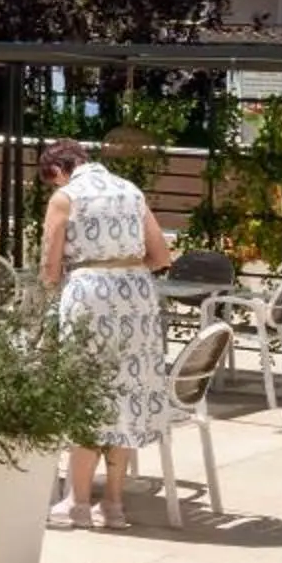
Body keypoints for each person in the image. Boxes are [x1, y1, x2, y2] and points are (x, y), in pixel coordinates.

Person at [38, 142, 172, 529]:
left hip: (90, 294)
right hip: (138, 297)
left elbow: (50, 267)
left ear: (59, 171)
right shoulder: (131, 190)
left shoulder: (66, 197)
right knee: (125, 394)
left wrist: (66, 282)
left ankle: (77, 501)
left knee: (86, 392)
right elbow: (161, 256)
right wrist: (127, 269)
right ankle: (112, 504)